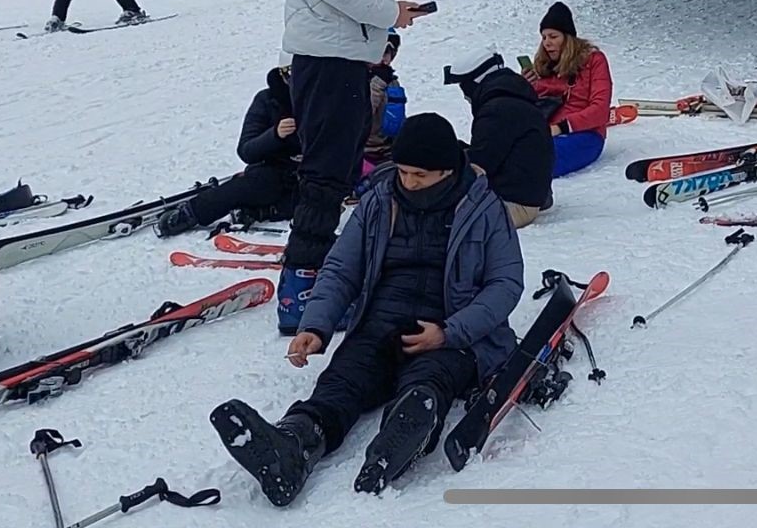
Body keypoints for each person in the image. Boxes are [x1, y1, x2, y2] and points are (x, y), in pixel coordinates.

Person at [209, 114, 523, 507]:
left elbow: (505, 284)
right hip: (382, 318)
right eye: (404, 172)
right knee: (346, 378)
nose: (408, 182)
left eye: (420, 176)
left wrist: (450, 332)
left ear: (447, 170)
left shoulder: (483, 208)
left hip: (449, 325)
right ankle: (292, 445)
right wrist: (317, 325)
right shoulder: (380, 200)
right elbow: (342, 268)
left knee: (431, 377)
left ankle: (408, 428)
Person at [276, 0, 419, 334]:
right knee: (327, 172)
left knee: (335, 163)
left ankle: (310, 270)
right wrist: (391, 12)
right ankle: (301, 289)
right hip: (331, 55)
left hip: (336, 53)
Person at [156, 63, 302, 236]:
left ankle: (261, 212)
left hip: (314, 171)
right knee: (245, 188)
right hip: (274, 171)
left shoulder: (325, 99)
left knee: (321, 200)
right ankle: (190, 213)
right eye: (291, 73)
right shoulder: (267, 100)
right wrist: (275, 135)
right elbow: (247, 150)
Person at [444, 49, 554, 229]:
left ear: (476, 82)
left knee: (434, 216)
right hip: (527, 196)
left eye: (464, 87)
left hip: (512, 203)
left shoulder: (497, 110)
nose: (465, 96)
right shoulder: (512, 99)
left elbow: (481, 163)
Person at [527, 2, 612, 178]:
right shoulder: (544, 67)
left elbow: (600, 110)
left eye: (553, 36)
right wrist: (524, 86)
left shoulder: (594, 61)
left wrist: (561, 127)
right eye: (543, 38)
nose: (547, 43)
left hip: (585, 134)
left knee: (533, 160)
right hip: (543, 130)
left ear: (568, 38)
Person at [364, 34, 407, 166]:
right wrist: (377, 84)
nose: (384, 60)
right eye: (379, 52)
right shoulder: (356, 80)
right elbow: (358, 119)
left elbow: (397, 115)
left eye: (387, 53)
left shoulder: (390, 81)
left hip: (388, 150)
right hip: (363, 152)